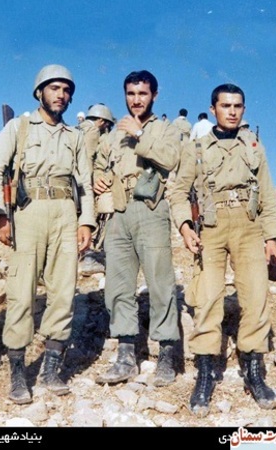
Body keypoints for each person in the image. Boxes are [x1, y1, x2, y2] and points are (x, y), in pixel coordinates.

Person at [167, 83, 276, 417]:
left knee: (256, 297)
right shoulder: (196, 147)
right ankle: (205, 375)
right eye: (225, 106)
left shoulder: (254, 146)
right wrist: (185, 228)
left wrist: (272, 239)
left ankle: (254, 372)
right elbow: (178, 192)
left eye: (237, 106)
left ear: (243, 109)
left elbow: (267, 195)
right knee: (207, 298)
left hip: (248, 226)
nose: (232, 111)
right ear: (213, 109)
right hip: (211, 226)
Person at [0, 64, 95, 404]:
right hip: (28, 210)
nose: (61, 95)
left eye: (66, 90)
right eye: (54, 88)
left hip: (65, 211)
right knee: (21, 292)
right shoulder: (18, 127)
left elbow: (85, 181)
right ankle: (18, 374)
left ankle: (51, 369)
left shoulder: (74, 136)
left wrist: (86, 221)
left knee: (63, 290)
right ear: (39, 93)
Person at [93, 70, 181, 387]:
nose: (136, 100)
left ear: (154, 95)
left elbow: (171, 159)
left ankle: (167, 355)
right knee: (118, 285)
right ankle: (126, 357)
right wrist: (98, 179)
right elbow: (100, 164)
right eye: (131, 94)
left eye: (142, 93)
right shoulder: (114, 134)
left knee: (160, 283)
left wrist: (141, 135)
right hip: (118, 211)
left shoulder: (166, 129)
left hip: (151, 209)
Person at [78, 103, 115, 276]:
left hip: (72, 183)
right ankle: (88, 259)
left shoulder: (78, 128)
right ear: (101, 121)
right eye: (106, 124)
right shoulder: (92, 131)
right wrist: (92, 182)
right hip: (84, 183)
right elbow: (87, 159)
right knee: (90, 218)